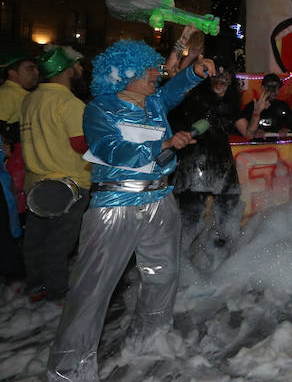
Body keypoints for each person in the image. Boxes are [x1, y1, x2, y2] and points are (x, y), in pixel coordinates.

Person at [47, 40, 213, 382]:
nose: (156, 73)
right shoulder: (99, 109)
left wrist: (195, 72)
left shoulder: (153, 102)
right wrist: (162, 144)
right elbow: (109, 148)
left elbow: (174, 89)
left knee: (162, 275)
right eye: (148, 69)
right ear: (123, 74)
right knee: (93, 288)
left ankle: (150, 340)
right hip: (115, 206)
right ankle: (69, 370)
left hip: (160, 200)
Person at [20, 46, 90, 303]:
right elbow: (81, 145)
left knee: (36, 240)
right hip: (69, 184)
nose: (81, 69)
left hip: (36, 183)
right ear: (67, 69)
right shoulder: (69, 103)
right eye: (78, 65)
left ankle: (35, 286)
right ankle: (57, 291)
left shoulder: (30, 99)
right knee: (60, 243)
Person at [171, 61, 243, 271]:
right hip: (194, 164)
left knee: (228, 212)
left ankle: (219, 266)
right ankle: (180, 269)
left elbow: (245, 130)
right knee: (190, 218)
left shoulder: (230, 105)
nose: (220, 82)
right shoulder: (194, 98)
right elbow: (177, 87)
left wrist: (256, 112)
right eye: (216, 77)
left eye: (225, 78)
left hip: (221, 164)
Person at [0, 52, 40, 217]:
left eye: (36, 69)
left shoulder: (22, 94)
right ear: (12, 72)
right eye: (29, 68)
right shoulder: (8, 93)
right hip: (10, 162)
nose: (36, 73)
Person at [235, 73, 292, 138]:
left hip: (278, 145)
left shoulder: (282, 106)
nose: (274, 91)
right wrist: (255, 131)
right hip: (256, 145)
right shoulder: (252, 106)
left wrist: (287, 130)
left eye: (277, 87)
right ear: (263, 88)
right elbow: (242, 131)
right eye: (270, 87)